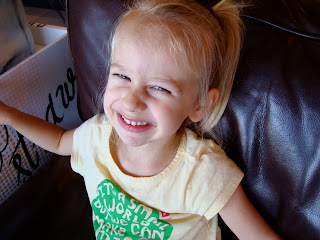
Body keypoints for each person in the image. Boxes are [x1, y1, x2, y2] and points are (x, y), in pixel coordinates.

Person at [0, 0, 282, 239]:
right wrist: (10, 115)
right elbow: (61, 140)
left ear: (199, 105)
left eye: (160, 87)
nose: (131, 101)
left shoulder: (202, 173)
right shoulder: (97, 136)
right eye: (122, 76)